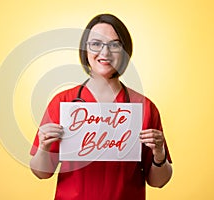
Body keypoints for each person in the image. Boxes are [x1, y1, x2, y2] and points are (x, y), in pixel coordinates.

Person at [30, 13, 172, 200]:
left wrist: (159, 154)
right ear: (85, 49)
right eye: (96, 44)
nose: (105, 53)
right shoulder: (63, 102)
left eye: (114, 45)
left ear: (124, 51)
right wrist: (44, 147)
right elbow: (42, 173)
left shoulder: (144, 107)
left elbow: (158, 181)